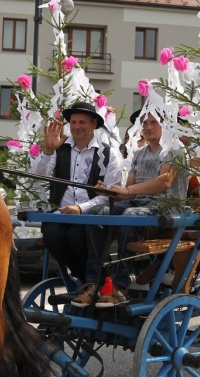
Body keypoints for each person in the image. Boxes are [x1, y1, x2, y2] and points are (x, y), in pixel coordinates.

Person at [78, 111, 189, 307]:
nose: (147, 127)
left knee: (131, 215)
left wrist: (127, 189)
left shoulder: (176, 149)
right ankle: (95, 282)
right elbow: (129, 193)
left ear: (167, 126)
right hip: (140, 204)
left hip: (167, 208)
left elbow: (164, 182)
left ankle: (120, 285)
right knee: (95, 213)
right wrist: (111, 191)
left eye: (154, 122)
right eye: (144, 123)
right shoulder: (139, 153)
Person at [30, 101, 123, 297]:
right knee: (51, 236)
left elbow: (109, 196)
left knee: (76, 236)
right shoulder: (59, 148)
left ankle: (93, 281)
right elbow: (37, 175)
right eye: (73, 122)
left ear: (94, 125)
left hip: (91, 216)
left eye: (82, 122)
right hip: (62, 214)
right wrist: (47, 150)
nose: (77, 127)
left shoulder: (109, 154)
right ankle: (89, 280)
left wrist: (82, 208)